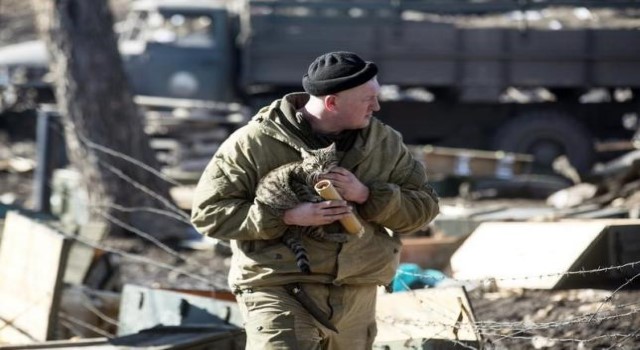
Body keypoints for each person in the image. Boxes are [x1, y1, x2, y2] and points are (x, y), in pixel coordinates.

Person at [191, 51, 440, 349]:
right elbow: (209, 214)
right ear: (332, 102)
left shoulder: (385, 143)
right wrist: (286, 216)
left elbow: (424, 207)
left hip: (356, 292)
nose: (377, 105)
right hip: (279, 288)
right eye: (367, 98)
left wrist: (366, 194)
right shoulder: (252, 143)